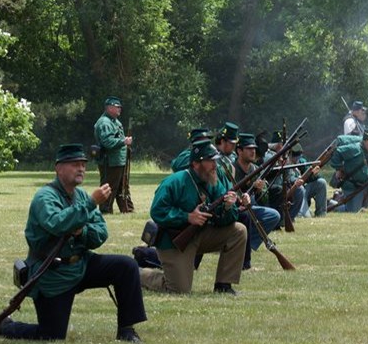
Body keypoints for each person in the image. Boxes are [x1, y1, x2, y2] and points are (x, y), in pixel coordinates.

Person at [0, 144, 146, 343]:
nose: (81, 168)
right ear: (58, 168)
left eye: (83, 164)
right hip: (53, 273)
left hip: (81, 264)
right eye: (75, 164)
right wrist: (90, 204)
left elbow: (100, 233)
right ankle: (6, 326)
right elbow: (57, 224)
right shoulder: (44, 197)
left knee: (126, 266)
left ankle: (126, 331)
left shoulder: (82, 196)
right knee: (52, 335)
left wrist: (82, 231)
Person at [140, 139, 245, 295]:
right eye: (210, 161)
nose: (215, 166)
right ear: (196, 164)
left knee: (239, 231)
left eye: (215, 161)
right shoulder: (174, 182)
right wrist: (187, 217)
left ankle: (223, 285)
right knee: (179, 290)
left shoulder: (213, 182)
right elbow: (158, 211)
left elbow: (225, 219)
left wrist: (229, 207)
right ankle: (138, 274)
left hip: (200, 234)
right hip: (174, 240)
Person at [234, 133, 281, 269]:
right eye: (248, 148)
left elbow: (262, 200)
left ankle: (248, 244)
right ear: (239, 151)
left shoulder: (255, 169)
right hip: (236, 209)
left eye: (253, 148)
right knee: (245, 216)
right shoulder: (232, 169)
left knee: (274, 215)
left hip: (251, 207)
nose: (253, 151)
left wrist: (259, 190)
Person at [329, 124, 368, 213]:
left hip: (365, 182)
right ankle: (332, 204)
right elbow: (337, 152)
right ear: (367, 140)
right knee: (351, 212)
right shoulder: (354, 149)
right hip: (352, 185)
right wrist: (339, 168)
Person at [93, 96, 134, 214]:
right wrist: (123, 141)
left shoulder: (115, 121)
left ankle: (127, 209)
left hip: (119, 160)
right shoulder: (104, 123)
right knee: (109, 187)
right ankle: (105, 210)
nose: (119, 109)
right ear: (109, 108)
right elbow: (107, 142)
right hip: (110, 161)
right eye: (117, 107)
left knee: (123, 186)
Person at [292, 143, 328, 218]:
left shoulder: (301, 162)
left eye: (299, 156)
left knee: (321, 182)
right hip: (295, 192)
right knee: (305, 216)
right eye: (296, 156)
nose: (298, 159)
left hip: (304, 188)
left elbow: (309, 177)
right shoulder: (286, 163)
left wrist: (313, 173)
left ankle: (321, 213)